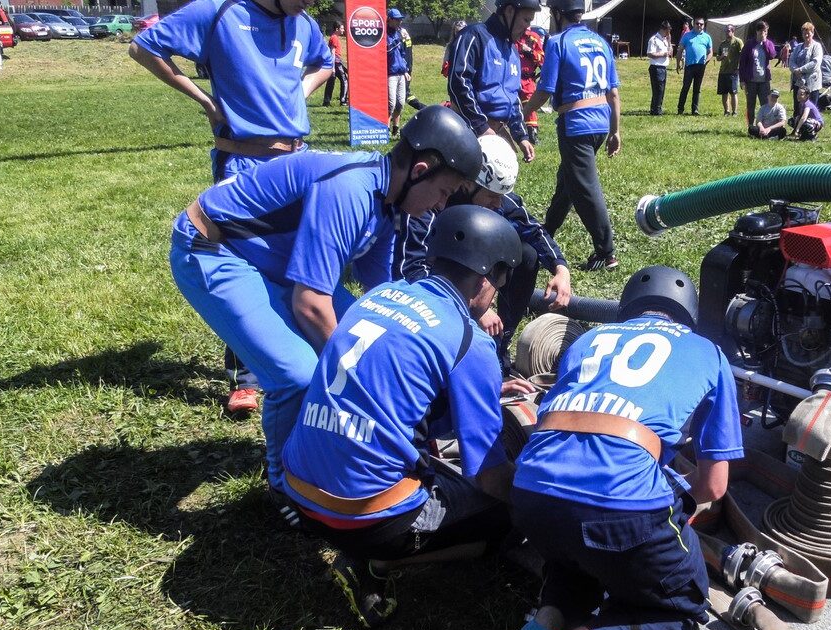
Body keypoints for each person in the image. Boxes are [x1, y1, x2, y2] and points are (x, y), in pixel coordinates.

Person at [167, 105, 481, 520]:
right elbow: (310, 305)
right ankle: (285, 486)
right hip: (214, 249)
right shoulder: (351, 190)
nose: (440, 206)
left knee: (356, 345)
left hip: (277, 263)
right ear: (420, 170)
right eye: (443, 193)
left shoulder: (389, 202)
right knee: (298, 376)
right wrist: (357, 376)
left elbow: (379, 300)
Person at [490, 266, 743, 630]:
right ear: (686, 315)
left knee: (575, 554)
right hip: (621, 504)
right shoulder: (708, 352)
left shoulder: (588, 340)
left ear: (626, 308)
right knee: (684, 605)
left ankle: (539, 628)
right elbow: (713, 487)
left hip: (531, 492)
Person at [282, 206, 527, 628]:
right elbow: (487, 475)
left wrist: (480, 390)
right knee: (504, 519)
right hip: (361, 518)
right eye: (501, 281)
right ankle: (378, 562)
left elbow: (395, 379)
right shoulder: (470, 339)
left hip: (297, 487)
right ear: (486, 278)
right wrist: (537, 507)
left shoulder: (379, 295)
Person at [130, 0, 333, 416]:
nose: (309, 4)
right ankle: (245, 378)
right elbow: (143, 48)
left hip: (296, 161)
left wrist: (296, 91)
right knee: (247, 266)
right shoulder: (217, 13)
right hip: (244, 161)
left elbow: (325, 62)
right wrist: (205, 101)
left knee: (293, 262)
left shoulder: (303, 22)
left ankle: (296, 357)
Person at [404, 136, 573, 371]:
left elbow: (534, 230)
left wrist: (560, 267)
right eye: (492, 197)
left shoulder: (499, 199)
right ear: (468, 184)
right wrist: (473, 308)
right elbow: (411, 268)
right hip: (435, 292)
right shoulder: (437, 199)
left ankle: (500, 343)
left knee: (526, 255)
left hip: (473, 276)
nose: (498, 204)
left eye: (501, 197)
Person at [524, 0, 621, 272]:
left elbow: (545, 89)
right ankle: (548, 230)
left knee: (585, 188)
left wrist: (525, 110)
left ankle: (607, 251)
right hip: (600, 123)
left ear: (557, 13)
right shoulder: (600, 42)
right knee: (568, 180)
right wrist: (615, 131)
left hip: (576, 125)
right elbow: (613, 92)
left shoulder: (557, 42)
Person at [447, 0, 538, 163]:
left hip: (494, 132)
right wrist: (481, 127)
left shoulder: (513, 51)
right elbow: (459, 82)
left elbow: (512, 97)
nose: (528, 28)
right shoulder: (474, 36)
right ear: (509, 11)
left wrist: (521, 136)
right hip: (469, 130)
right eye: (526, 20)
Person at [739, 20, 776, 126]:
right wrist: (742, 80)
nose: (764, 33)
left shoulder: (768, 43)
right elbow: (742, 63)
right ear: (757, 31)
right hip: (750, 80)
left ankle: (765, 126)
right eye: (761, 31)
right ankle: (751, 126)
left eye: (766, 31)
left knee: (765, 105)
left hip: (764, 80)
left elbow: (772, 55)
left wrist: (764, 43)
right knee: (750, 105)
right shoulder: (749, 44)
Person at [386, 9, 413, 138]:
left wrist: (406, 70)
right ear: (389, 19)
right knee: (390, 104)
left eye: (400, 19)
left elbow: (402, 54)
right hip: (390, 74)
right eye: (397, 19)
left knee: (400, 103)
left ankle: (395, 129)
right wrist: (399, 40)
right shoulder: (384, 34)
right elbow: (387, 50)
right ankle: (385, 130)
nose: (399, 21)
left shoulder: (398, 34)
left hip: (401, 73)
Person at [677, 18, 712, 115]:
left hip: (701, 66)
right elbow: (680, 50)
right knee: (685, 87)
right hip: (689, 66)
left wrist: (706, 60)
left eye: (701, 24)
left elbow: (710, 52)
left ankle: (695, 110)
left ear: (704, 25)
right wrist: (678, 63)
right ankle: (680, 109)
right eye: (697, 23)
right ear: (694, 24)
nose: (699, 25)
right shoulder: (687, 36)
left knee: (697, 89)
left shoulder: (707, 37)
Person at [516, 27, 545, 143]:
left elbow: (542, 59)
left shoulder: (534, 38)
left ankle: (532, 134)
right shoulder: (512, 36)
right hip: (511, 77)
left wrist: (530, 51)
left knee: (530, 105)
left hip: (527, 79)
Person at [789, 22, 823, 115]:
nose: (807, 35)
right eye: (804, 33)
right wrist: (795, 70)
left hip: (812, 83)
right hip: (798, 82)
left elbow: (815, 63)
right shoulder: (798, 47)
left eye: (809, 32)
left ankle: (810, 128)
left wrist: (801, 70)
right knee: (797, 108)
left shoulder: (817, 46)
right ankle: (797, 127)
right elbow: (791, 60)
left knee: (810, 109)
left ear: (813, 33)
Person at [647, 21, 672, 115]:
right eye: (667, 30)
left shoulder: (665, 40)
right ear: (663, 29)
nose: (668, 33)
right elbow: (650, 53)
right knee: (658, 89)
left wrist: (669, 42)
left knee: (661, 90)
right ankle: (656, 110)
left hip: (663, 67)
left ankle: (656, 108)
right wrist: (663, 54)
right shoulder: (654, 39)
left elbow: (670, 52)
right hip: (656, 67)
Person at [716, 24, 742, 116]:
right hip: (723, 71)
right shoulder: (723, 44)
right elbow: (717, 58)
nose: (726, 32)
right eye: (726, 31)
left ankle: (734, 112)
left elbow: (742, 56)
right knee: (724, 93)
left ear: (733, 31)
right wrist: (721, 56)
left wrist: (738, 68)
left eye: (728, 31)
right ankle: (726, 111)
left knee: (733, 92)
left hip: (733, 71)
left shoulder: (738, 42)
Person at [323, 22, 348, 107]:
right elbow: (332, 52)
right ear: (337, 29)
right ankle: (343, 100)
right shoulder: (334, 38)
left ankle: (326, 101)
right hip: (336, 62)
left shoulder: (334, 37)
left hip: (337, 62)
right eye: (342, 28)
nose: (343, 30)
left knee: (331, 81)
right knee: (345, 80)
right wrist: (332, 67)